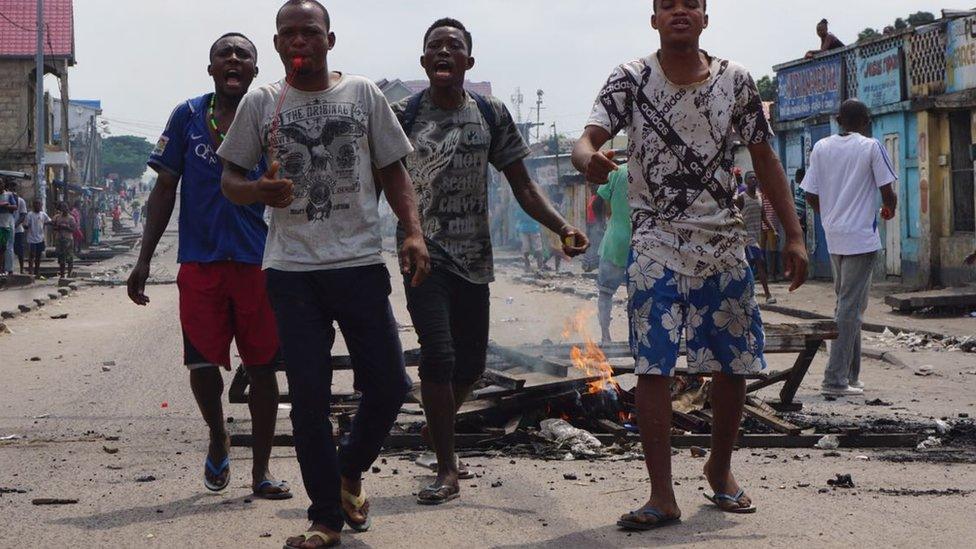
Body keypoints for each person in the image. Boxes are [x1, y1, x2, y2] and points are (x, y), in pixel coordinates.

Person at [572, 0, 807, 530]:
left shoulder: (736, 80)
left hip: (724, 243)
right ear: (653, 18)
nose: (680, 12)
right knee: (652, 367)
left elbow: (764, 159)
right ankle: (662, 496)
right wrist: (587, 157)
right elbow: (587, 139)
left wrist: (793, 235)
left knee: (732, 366)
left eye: (691, 4)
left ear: (706, 16)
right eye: (668, 5)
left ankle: (719, 471)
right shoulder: (629, 78)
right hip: (654, 243)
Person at [218, 2, 430, 546]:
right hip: (291, 271)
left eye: (309, 31)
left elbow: (393, 169)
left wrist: (412, 231)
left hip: (358, 263)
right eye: (288, 32)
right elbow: (231, 180)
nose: (299, 40)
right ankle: (324, 518)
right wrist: (256, 192)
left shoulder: (361, 94)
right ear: (276, 41)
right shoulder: (262, 102)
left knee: (389, 386)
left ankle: (347, 469)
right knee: (308, 399)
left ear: (329, 39)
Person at [391, 18, 587, 506]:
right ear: (423, 62)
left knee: (472, 364)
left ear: (467, 62)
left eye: (452, 46)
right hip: (423, 254)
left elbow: (522, 183)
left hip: (475, 257)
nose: (443, 51)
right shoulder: (403, 115)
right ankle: (447, 466)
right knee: (439, 356)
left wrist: (561, 225)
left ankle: (437, 429)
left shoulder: (491, 113)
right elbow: (380, 178)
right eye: (433, 45)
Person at [127, 32, 293, 502]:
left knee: (262, 368)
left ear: (256, 72)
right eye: (226, 54)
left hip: (260, 263)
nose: (235, 59)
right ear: (212, 68)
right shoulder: (186, 116)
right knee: (202, 364)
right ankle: (218, 435)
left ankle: (260, 471)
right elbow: (164, 190)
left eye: (244, 55)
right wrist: (143, 259)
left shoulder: (274, 119)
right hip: (200, 262)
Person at [801, 99, 898, 397]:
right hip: (860, 238)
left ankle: (852, 376)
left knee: (849, 306)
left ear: (838, 119)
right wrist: (888, 211)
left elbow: (809, 194)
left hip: (835, 236)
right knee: (849, 308)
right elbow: (887, 193)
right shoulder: (870, 146)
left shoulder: (821, 147)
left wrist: (829, 217)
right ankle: (835, 380)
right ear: (866, 121)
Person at [596, 164, 632, 345]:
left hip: (615, 242)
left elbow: (602, 201)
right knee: (637, 297)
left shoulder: (618, 171)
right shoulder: (653, 170)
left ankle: (605, 336)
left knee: (605, 293)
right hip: (642, 244)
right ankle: (635, 339)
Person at [737, 173, 774, 303]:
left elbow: (763, 215)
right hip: (746, 238)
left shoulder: (759, 196)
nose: (754, 180)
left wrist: (773, 230)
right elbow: (734, 215)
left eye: (755, 178)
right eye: (751, 178)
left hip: (756, 236)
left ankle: (744, 294)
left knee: (747, 266)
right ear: (746, 181)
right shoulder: (741, 198)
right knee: (760, 263)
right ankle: (768, 295)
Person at [760, 177, 782, 281]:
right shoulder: (759, 195)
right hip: (761, 226)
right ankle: (764, 273)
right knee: (761, 251)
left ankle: (772, 274)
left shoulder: (774, 195)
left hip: (772, 225)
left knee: (773, 251)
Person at [24, 199, 50, 278]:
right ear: (33, 205)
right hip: (31, 238)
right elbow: (26, 225)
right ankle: (31, 272)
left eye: (39, 204)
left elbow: (49, 221)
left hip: (40, 238)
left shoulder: (43, 214)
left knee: (38, 256)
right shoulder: (30, 215)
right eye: (36, 204)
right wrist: (26, 226)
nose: (38, 206)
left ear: (41, 205)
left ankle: (37, 271)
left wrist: (45, 223)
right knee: (32, 255)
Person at [52, 202, 77, 279]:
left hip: (68, 239)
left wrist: (66, 227)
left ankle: (69, 273)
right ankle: (62, 275)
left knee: (69, 258)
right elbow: (54, 227)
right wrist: (58, 227)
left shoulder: (71, 218)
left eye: (65, 208)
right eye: (62, 208)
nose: (64, 210)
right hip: (59, 239)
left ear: (68, 208)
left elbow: (74, 229)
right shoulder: (57, 217)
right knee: (61, 258)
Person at [515, 206, 544, 271]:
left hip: (530, 229)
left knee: (534, 248)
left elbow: (517, 216)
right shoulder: (534, 205)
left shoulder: (522, 205)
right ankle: (534, 267)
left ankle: (536, 266)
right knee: (532, 248)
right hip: (528, 229)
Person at [0, 179, 19, 279]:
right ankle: (2, 269)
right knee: (1, 247)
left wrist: (6, 206)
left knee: (9, 246)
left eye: (1, 183)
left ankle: (9, 269)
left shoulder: (9, 195)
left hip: (8, 221)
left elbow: (15, 206)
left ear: (3, 185)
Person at [11, 182, 27, 274]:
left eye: (13, 188)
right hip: (6, 228)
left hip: (18, 230)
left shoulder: (20, 201)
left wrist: (15, 224)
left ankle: (21, 269)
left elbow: (23, 215)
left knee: (19, 250)